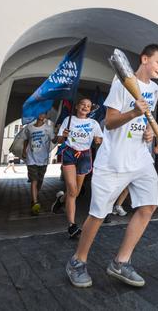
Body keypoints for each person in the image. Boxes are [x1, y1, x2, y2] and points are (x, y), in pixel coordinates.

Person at [66, 44, 158, 288]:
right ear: (144, 59)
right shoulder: (121, 84)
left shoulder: (154, 89)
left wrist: (149, 132)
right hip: (113, 161)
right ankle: (77, 261)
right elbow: (109, 122)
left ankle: (121, 262)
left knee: (149, 206)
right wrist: (133, 113)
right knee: (98, 214)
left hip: (140, 158)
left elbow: (147, 118)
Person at [53, 98, 103, 238]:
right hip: (69, 153)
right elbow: (59, 140)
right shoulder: (68, 120)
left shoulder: (93, 123)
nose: (85, 107)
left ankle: (61, 199)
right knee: (72, 189)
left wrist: (98, 140)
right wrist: (63, 135)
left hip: (85, 156)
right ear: (77, 106)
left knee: (75, 193)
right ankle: (72, 226)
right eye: (83, 104)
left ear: (90, 109)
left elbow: (100, 140)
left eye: (88, 106)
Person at [22, 112, 56, 215]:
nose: (42, 115)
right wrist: (24, 150)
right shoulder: (29, 127)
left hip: (43, 159)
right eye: (40, 113)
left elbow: (54, 140)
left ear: (46, 116)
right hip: (31, 158)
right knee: (34, 180)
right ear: (37, 115)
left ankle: (34, 198)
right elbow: (26, 139)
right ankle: (35, 202)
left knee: (40, 181)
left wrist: (60, 135)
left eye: (44, 114)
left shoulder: (48, 128)